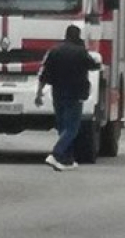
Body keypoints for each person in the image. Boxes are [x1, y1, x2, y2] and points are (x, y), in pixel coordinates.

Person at [35, 25, 99, 171]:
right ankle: (56, 154)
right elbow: (93, 65)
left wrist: (39, 93)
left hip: (57, 93)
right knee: (72, 128)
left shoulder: (54, 51)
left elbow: (44, 74)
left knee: (62, 126)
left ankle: (67, 159)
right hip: (75, 94)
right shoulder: (80, 52)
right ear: (78, 36)